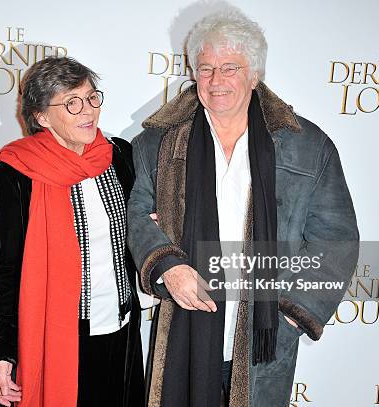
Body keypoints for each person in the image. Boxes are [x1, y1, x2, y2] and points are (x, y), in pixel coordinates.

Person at [127, 9, 359, 407]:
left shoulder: (307, 145)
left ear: (255, 75)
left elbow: (335, 239)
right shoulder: (158, 144)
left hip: (263, 336)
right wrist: (169, 266)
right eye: (205, 68)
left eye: (230, 67)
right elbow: (137, 214)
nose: (216, 81)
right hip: (184, 326)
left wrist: (291, 314)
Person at [0, 56, 144, 407]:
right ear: (41, 117)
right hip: (56, 337)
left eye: (91, 97)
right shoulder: (17, 169)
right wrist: (2, 351)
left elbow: (140, 230)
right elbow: (7, 266)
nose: (88, 111)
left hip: (122, 329)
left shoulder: (118, 156)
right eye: (72, 103)